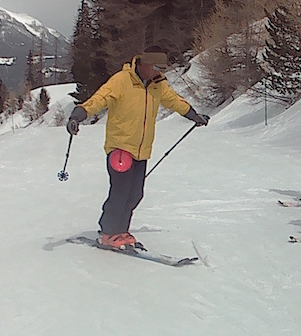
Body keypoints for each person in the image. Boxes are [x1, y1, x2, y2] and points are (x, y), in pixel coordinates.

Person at [67, 51, 208, 250]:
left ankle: (120, 231)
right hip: (120, 148)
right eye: (156, 67)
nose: (159, 72)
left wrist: (194, 116)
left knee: (135, 194)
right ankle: (109, 233)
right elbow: (98, 99)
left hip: (141, 150)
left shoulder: (158, 84)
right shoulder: (122, 80)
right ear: (144, 64)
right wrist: (77, 116)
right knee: (120, 192)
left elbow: (175, 101)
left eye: (161, 69)